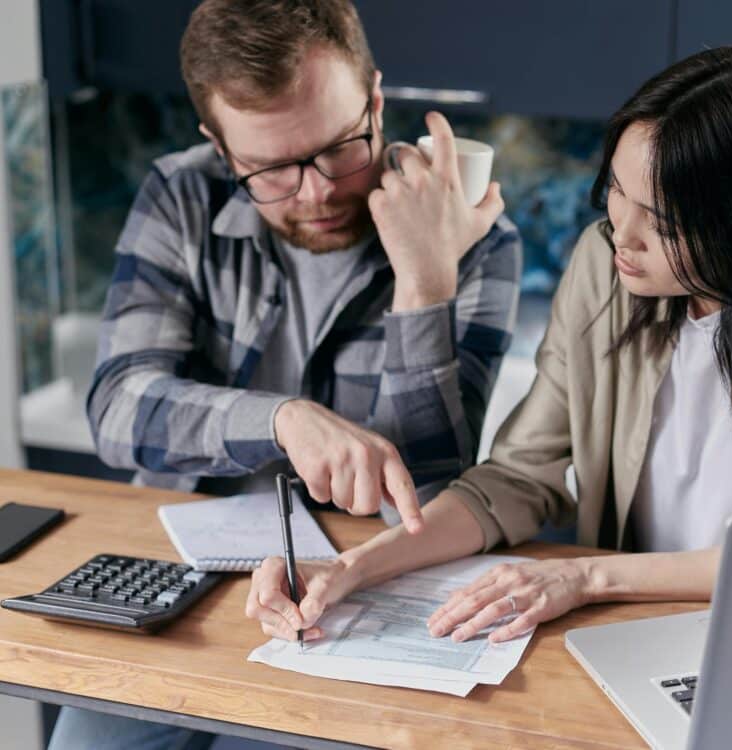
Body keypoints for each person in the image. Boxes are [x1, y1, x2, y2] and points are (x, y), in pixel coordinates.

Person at [247, 42, 732, 649]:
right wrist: (352, 568)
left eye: (661, 222)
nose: (620, 235)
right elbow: (515, 478)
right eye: (617, 195)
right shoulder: (605, 265)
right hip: (627, 632)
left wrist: (586, 576)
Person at [51, 0, 521, 747]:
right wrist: (281, 418)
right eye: (271, 169)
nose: (318, 191)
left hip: (352, 599)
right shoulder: (180, 195)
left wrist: (425, 283)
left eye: (339, 147)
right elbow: (118, 409)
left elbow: (432, 492)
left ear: (374, 99)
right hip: (177, 585)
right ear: (220, 147)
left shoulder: (471, 233)